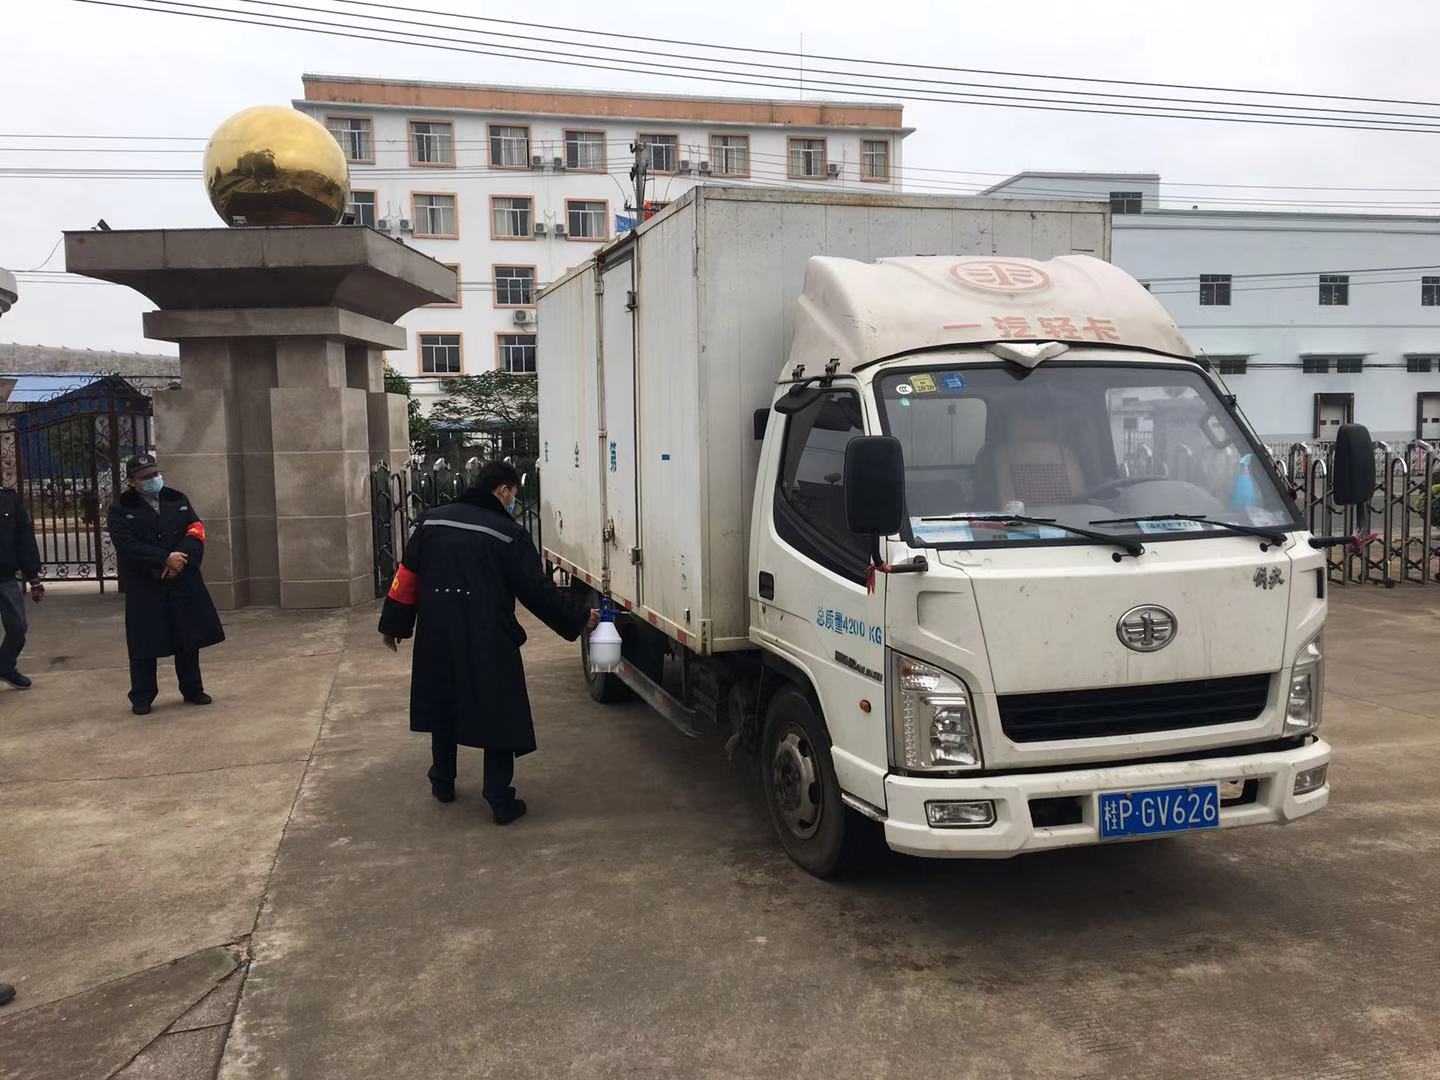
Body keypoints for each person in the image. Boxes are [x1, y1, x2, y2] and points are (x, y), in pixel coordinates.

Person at [379, 461, 598, 824]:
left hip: (438, 635)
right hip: (489, 637)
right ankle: (499, 799)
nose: (513, 501)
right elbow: (537, 591)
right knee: (499, 712)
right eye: (513, 495)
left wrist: (393, 626)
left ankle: (442, 782)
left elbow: (407, 577)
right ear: (502, 490)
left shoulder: (431, 522)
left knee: (444, 704)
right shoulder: (508, 534)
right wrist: (578, 618)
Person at [106, 454, 225, 715]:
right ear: (133, 481)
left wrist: (179, 560)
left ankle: (192, 689)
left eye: (155, 473)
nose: (153, 479)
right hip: (146, 582)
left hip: (181, 577)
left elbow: (195, 530)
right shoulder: (121, 508)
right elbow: (127, 545)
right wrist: (163, 559)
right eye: (146, 477)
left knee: (187, 636)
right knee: (144, 641)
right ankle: (142, 695)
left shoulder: (177, 498)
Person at [1, 485, 44, 688]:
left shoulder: (9, 500)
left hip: (5, 577)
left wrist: (33, 578)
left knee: (18, 627)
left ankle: (5, 666)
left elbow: (24, 540)